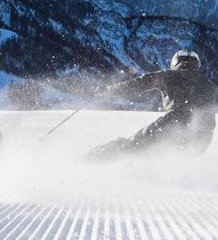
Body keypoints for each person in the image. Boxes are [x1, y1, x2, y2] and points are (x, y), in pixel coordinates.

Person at [88, 50, 216, 160]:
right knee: (157, 151)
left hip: (176, 124)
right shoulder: (210, 86)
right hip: (201, 141)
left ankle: (91, 160)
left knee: (130, 146)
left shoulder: (170, 76)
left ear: (175, 63)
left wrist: (108, 91)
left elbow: (138, 84)